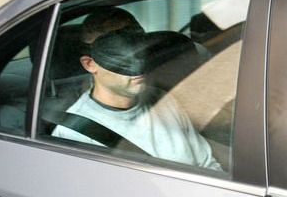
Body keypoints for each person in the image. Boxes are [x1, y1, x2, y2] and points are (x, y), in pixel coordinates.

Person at [52, 18, 222, 172]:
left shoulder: (164, 99)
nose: (137, 60)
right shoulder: (74, 133)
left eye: (139, 45)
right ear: (90, 64)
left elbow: (207, 164)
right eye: (118, 50)